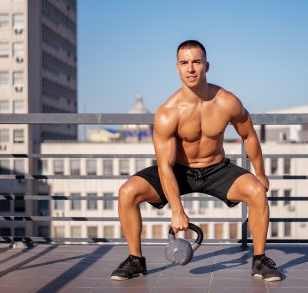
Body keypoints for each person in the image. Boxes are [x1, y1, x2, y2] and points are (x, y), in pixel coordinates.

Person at [111, 40, 283, 282]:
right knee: (128, 192)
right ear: (177, 68)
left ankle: (260, 261)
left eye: (196, 62)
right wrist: (177, 211)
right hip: (178, 171)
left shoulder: (227, 102)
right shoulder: (168, 113)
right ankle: (135, 261)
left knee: (256, 191)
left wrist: (261, 173)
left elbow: (248, 135)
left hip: (217, 169)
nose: (190, 68)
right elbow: (164, 166)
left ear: (207, 66)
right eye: (184, 63)